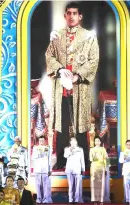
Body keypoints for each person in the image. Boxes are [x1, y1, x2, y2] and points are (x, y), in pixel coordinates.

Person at [46, 1, 99, 170]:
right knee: (61, 127)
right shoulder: (57, 36)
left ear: (80, 16)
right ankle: (61, 160)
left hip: (80, 87)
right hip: (61, 88)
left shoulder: (89, 36)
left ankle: (85, 161)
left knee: (81, 126)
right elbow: (49, 56)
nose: (71, 16)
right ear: (65, 16)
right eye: (69, 13)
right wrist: (61, 70)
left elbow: (93, 60)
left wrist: (78, 75)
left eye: (75, 13)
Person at [64, 137, 85, 203]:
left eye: (74, 141)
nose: (73, 142)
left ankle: (76, 199)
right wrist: (70, 151)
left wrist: (83, 169)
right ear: (70, 142)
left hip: (77, 169)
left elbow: (82, 160)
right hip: (69, 169)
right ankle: (70, 199)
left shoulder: (80, 149)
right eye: (72, 141)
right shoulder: (67, 149)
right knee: (70, 185)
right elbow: (65, 156)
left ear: (76, 142)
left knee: (77, 185)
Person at [32, 136, 52, 204]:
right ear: (38, 141)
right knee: (38, 185)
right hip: (37, 169)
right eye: (40, 140)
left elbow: (49, 159)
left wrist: (50, 169)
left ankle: (45, 199)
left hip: (45, 169)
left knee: (45, 186)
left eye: (43, 140)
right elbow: (33, 157)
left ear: (45, 141)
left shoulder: (47, 148)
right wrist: (38, 154)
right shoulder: (35, 148)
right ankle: (38, 199)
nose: (41, 142)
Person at [89, 136, 108, 204]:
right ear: (94, 142)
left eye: (98, 141)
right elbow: (91, 159)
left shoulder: (103, 149)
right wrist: (96, 156)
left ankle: (101, 200)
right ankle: (95, 200)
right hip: (94, 168)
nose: (97, 142)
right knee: (94, 184)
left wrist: (106, 169)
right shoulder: (92, 149)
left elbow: (106, 159)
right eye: (96, 140)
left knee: (101, 184)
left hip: (101, 168)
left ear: (100, 142)